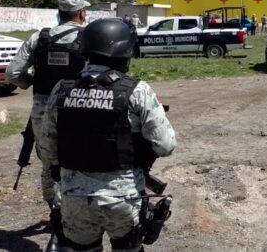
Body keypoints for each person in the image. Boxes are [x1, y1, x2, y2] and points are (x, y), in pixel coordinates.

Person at [40, 18, 176, 252]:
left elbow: (47, 150)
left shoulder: (61, 89)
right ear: (124, 53)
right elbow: (165, 145)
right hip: (122, 199)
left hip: (74, 200)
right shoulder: (137, 90)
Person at [6, 0, 90, 249]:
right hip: (77, 107)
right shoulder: (88, 37)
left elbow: (13, 73)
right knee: (80, 161)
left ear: (59, 13)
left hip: (42, 108)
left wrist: (36, 84)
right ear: (81, 13)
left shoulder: (38, 38)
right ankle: (78, 216)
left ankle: (56, 215)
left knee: (49, 164)